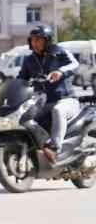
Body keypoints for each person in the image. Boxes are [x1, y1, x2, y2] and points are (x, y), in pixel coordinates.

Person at [19, 24, 80, 161]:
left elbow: (75, 64)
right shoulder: (29, 60)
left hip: (66, 99)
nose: (35, 43)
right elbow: (21, 79)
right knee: (24, 118)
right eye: (33, 40)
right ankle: (40, 147)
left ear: (47, 41)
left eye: (39, 40)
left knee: (58, 110)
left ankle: (54, 148)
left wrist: (60, 71)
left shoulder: (59, 52)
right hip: (44, 102)